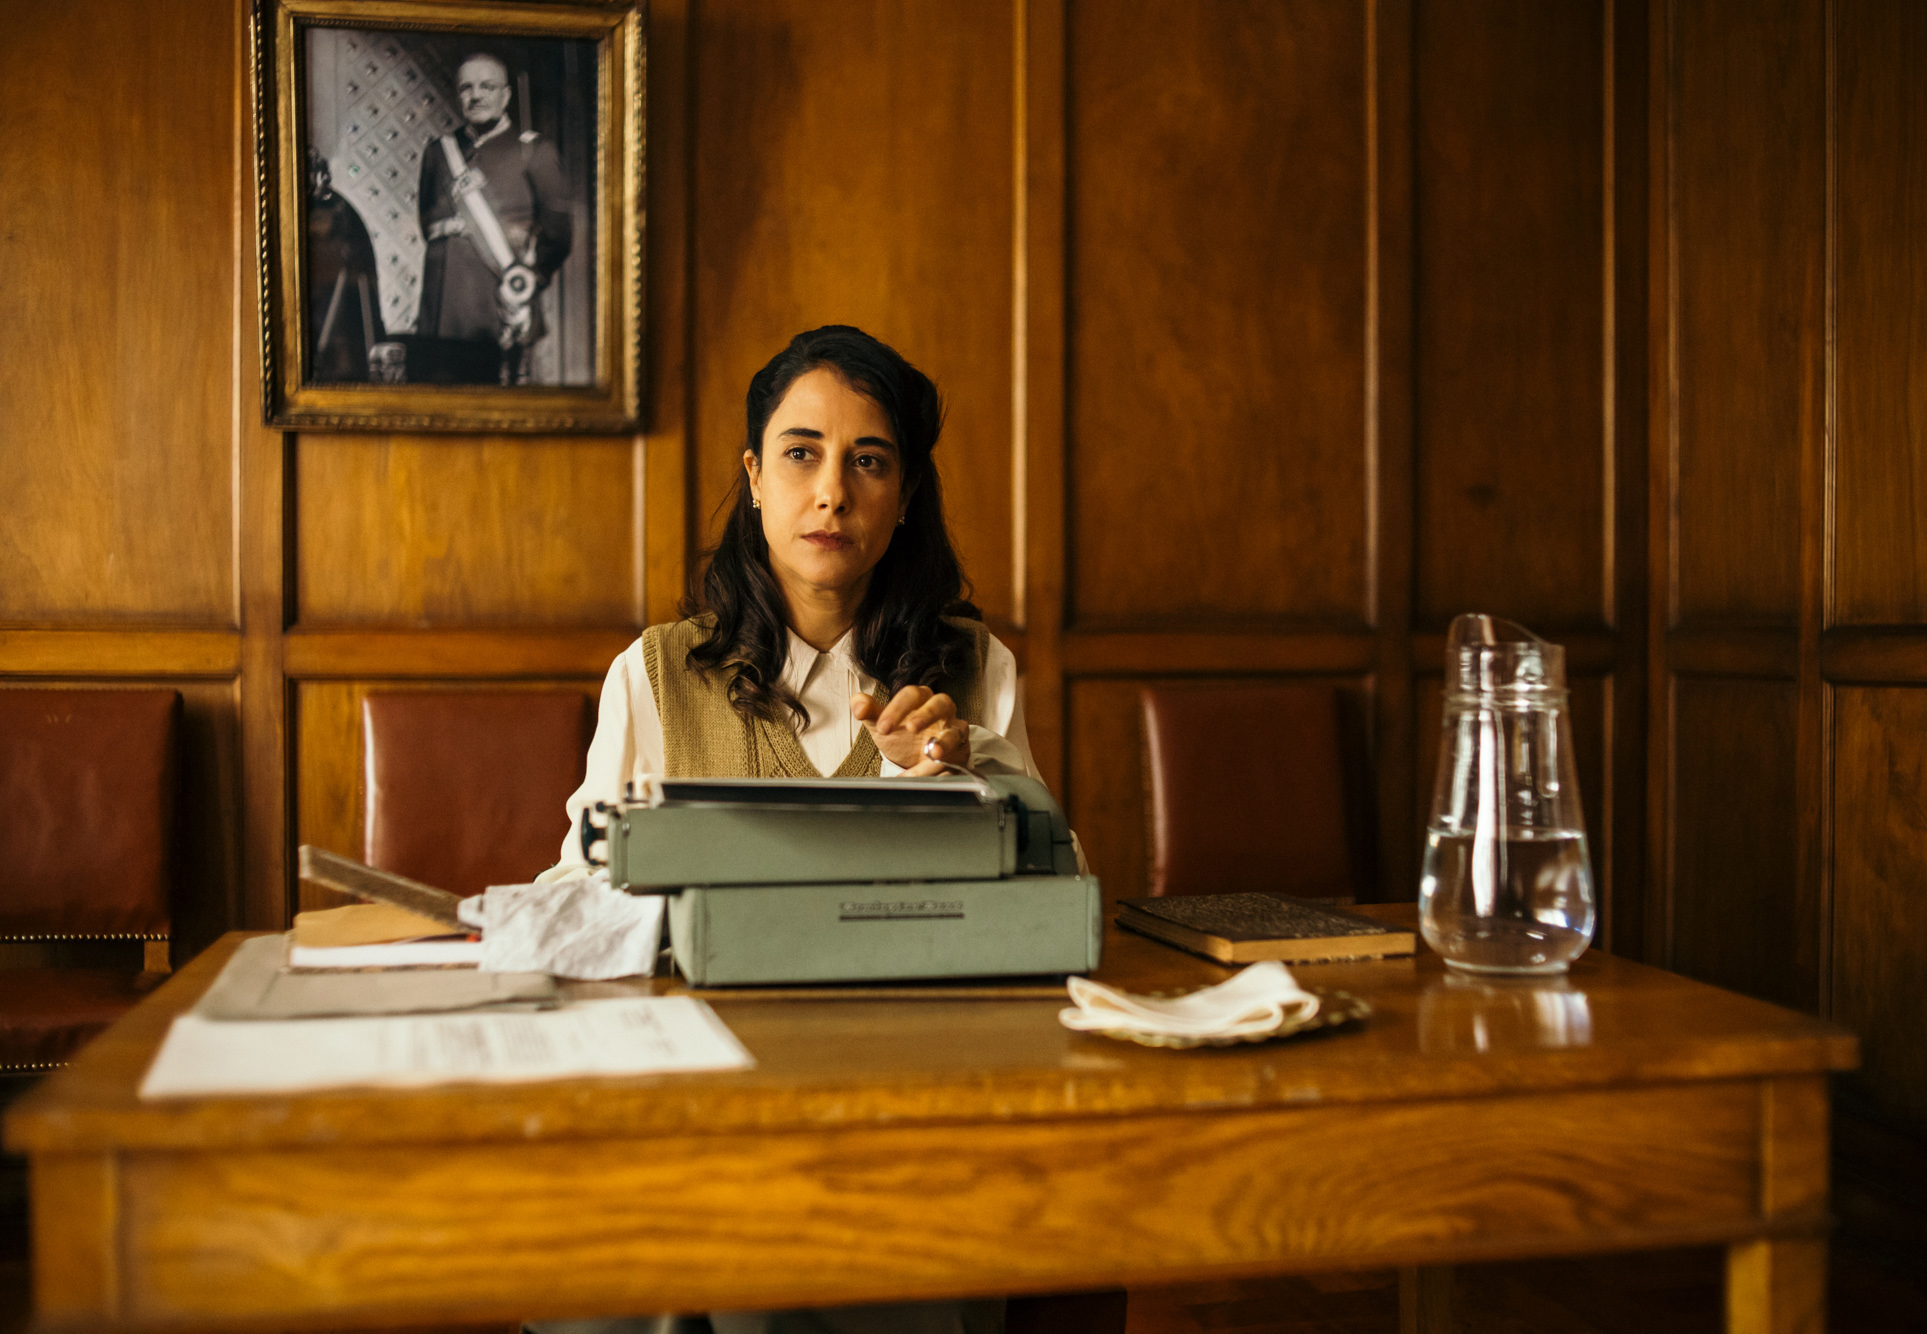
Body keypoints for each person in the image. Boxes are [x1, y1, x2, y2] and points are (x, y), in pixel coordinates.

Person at [547, 326, 1075, 1334]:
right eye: (801, 453)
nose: (831, 490)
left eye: (868, 461)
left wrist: (978, 770)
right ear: (752, 476)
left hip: (911, 1100)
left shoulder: (975, 670)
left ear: (906, 494)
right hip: (700, 1089)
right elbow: (580, 892)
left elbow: (1061, 901)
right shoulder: (655, 672)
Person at [416, 52, 573, 385]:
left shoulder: (534, 152)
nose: (476, 96)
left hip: (500, 311)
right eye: (466, 88)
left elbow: (558, 236)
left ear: (506, 95)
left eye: (487, 87)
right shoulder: (438, 151)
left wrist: (523, 287)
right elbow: (427, 223)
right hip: (442, 315)